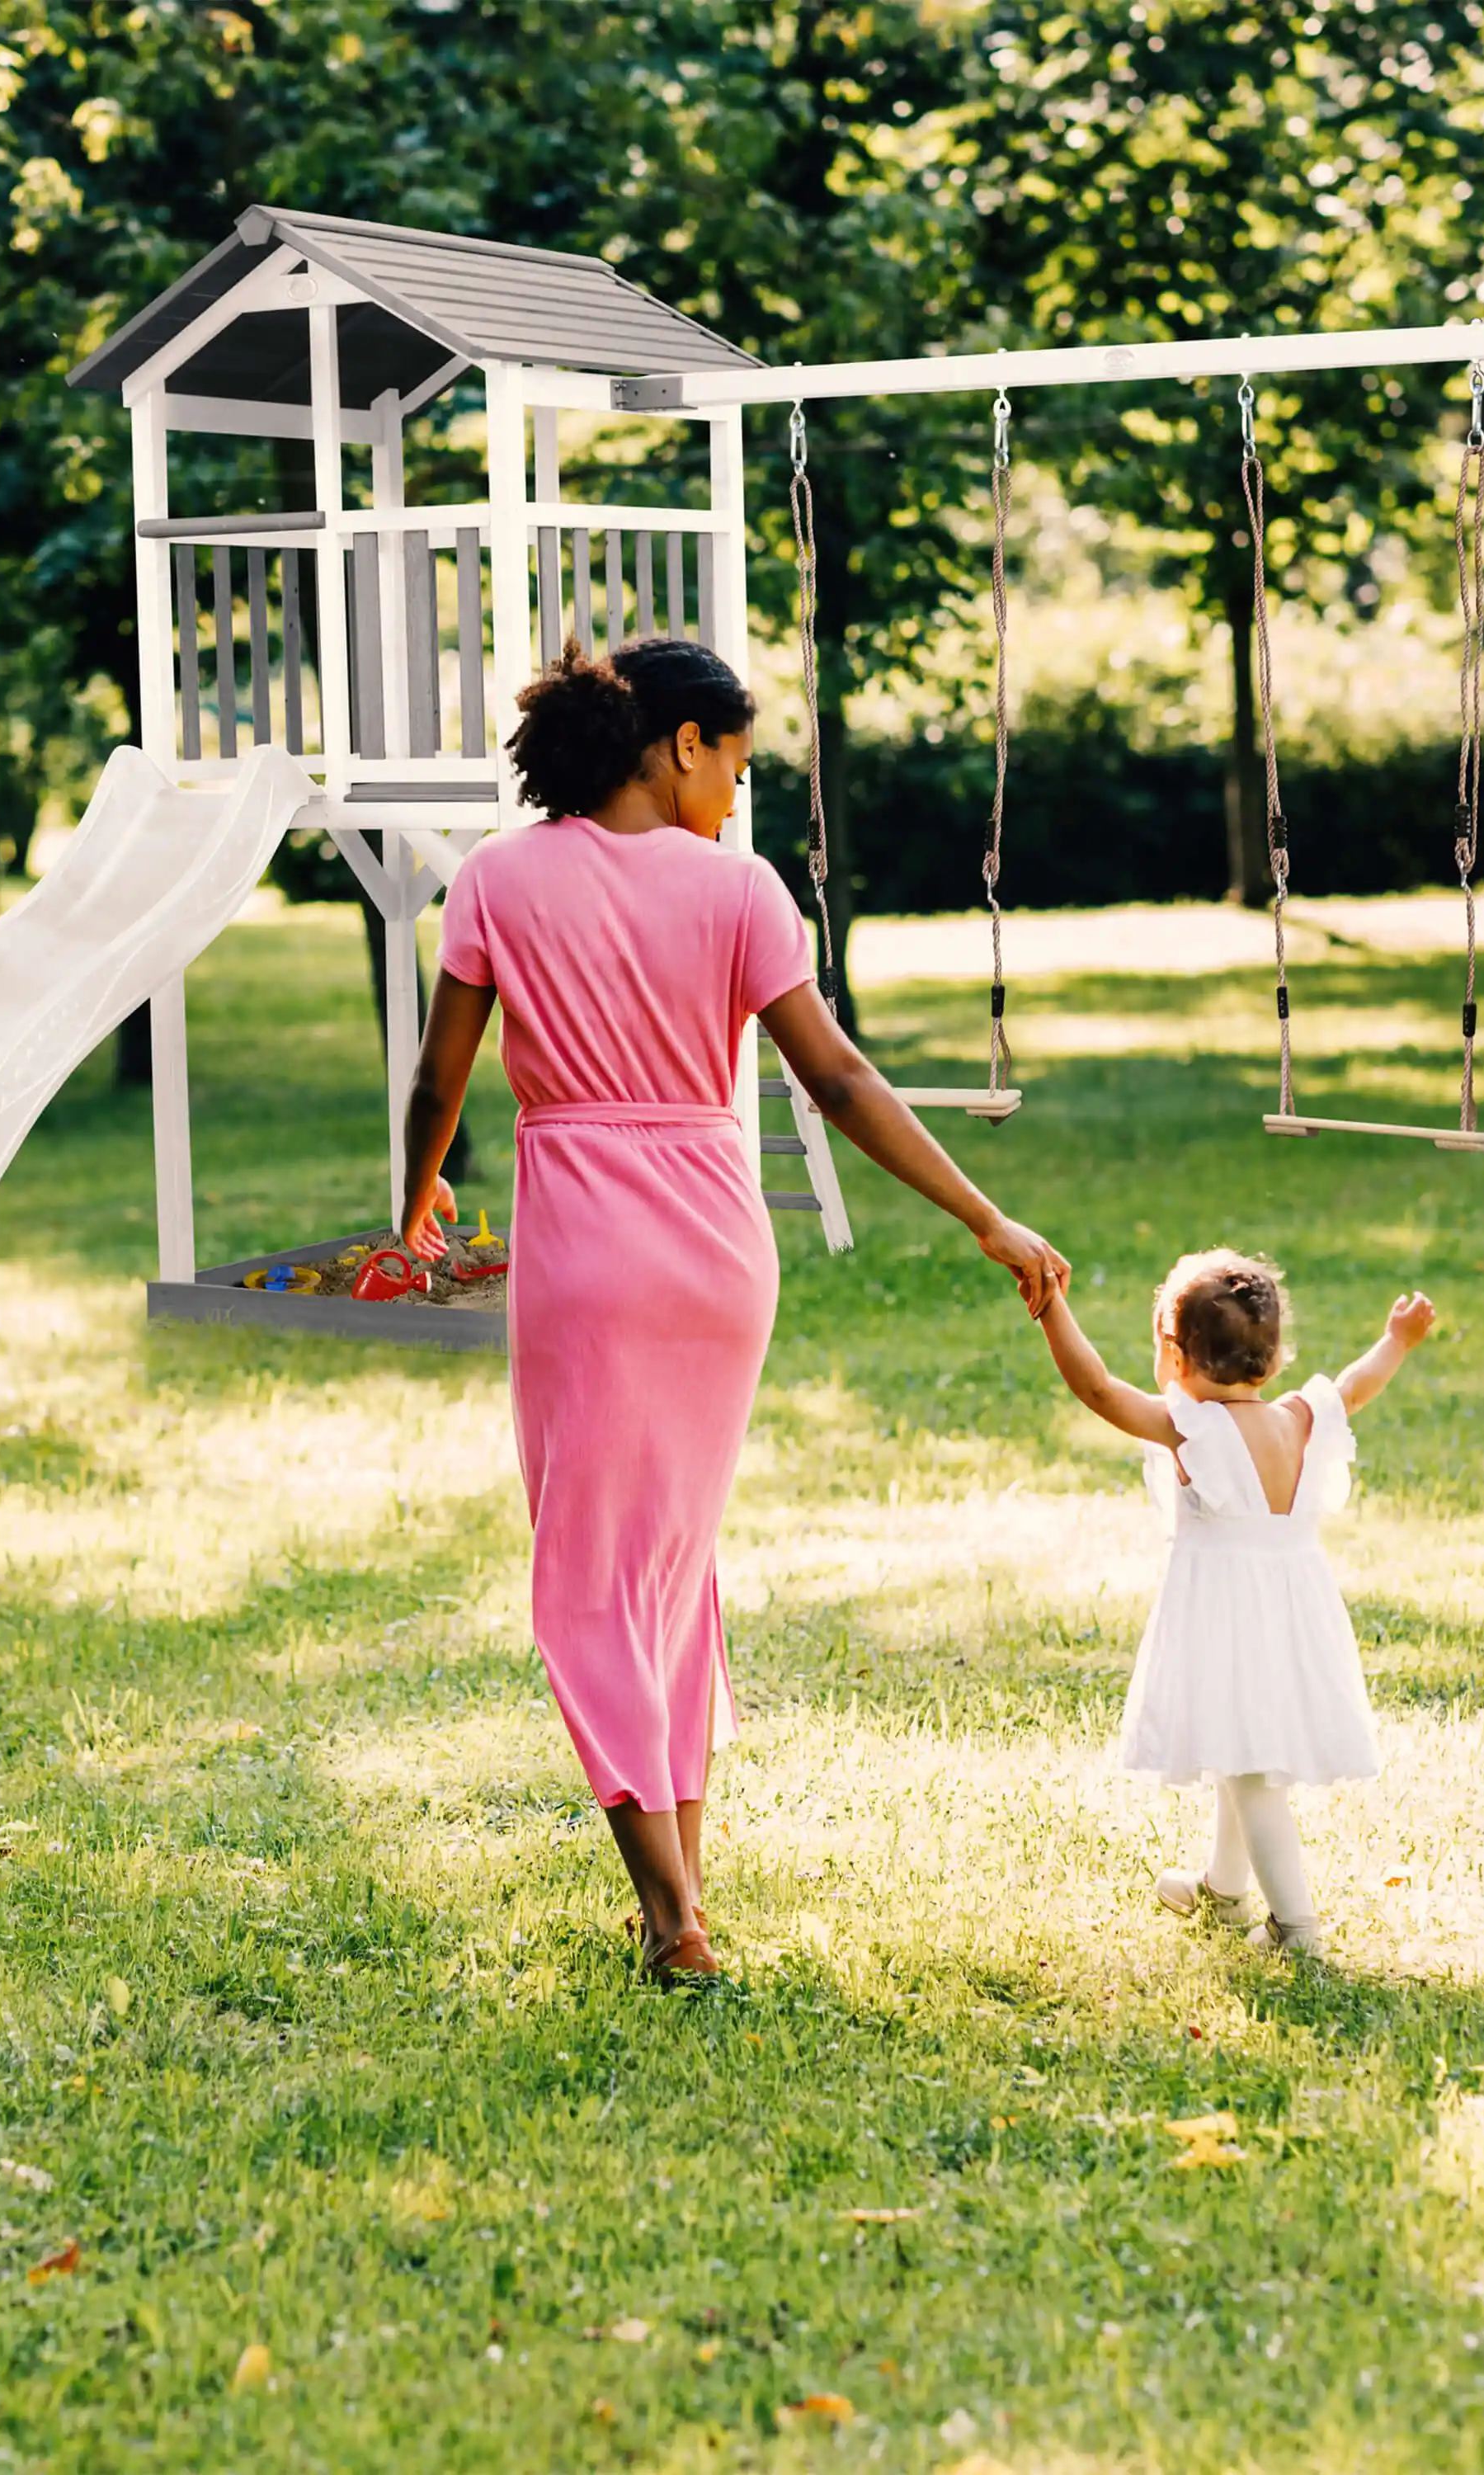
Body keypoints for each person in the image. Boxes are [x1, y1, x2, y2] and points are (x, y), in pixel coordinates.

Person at [399, 638, 1071, 1982]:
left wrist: (413, 1201)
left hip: (586, 1250)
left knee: (591, 1579)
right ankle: (682, 1892)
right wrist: (983, 1215)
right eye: (737, 764)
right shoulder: (740, 893)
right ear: (680, 744)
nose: (737, 794)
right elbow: (838, 1081)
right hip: (716, 1250)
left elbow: (440, 1077)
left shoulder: (497, 880)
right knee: (669, 1569)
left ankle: (670, 1914)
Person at [1030, 1250, 1436, 1957]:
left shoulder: (1194, 1430)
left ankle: (1296, 1927)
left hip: (1228, 1619)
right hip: (1292, 1614)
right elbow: (1355, 1384)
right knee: (1236, 1744)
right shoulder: (1300, 1418)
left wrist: (1050, 1306)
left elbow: (1096, 1389)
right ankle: (1223, 1890)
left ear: (1175, 1355)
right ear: (1272, 1360)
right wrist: (1396, 1341)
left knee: (1250, 1772)